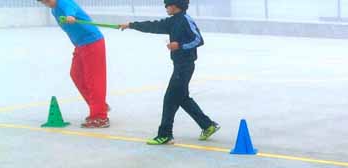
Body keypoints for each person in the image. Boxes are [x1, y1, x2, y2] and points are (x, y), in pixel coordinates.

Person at [119, 0, 219, 145]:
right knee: (182, 98)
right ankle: (207, 125)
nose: (165, 7)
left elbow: (198, 39)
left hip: (185, 66)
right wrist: (131, 25)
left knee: (170, 99)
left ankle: (165, 134)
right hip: (179, 65)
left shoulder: (185, 20)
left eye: (167, 4)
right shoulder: (172, 21)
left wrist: (180, 45)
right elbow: (153, 25)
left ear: (175, 5)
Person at [38, 0, 110, 128]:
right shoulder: (54, 9)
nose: (46, 3)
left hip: (92, 42)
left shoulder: (63, 2)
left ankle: (100, 117)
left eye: (47, 0)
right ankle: (100, 106)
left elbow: (71, 8)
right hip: (81, 45)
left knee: (94, 80)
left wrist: (70, 16)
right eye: (43, 2)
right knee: (76, 74)